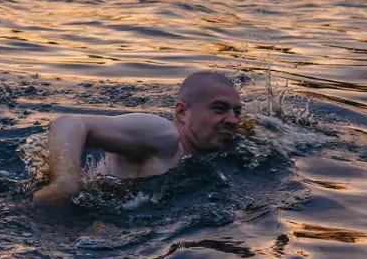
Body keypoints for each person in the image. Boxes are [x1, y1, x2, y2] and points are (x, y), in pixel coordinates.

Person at [33, 71, 242, 203]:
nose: (232, 120)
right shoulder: (164, 136)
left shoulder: (211, 148)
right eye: (219, 108)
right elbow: (68, 123)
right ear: (182, 112)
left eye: (237, 112)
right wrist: (65, 183)